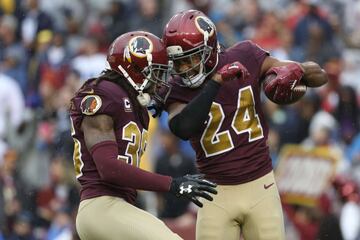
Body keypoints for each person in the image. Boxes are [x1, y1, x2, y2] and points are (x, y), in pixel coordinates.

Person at [159, 9, 328, 240]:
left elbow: (320, 77)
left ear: (209, 49)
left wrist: (295, 69)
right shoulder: (176, 87)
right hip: (215, 193)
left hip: (260, 185)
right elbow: (182, 128)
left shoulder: (246, 54)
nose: (184, 68)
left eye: (191, 57)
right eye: (178, 62)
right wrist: (216, 81)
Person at [68, 31, 217, 240]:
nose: (159, 82)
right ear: (136, 69)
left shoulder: (131, 104)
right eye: (156, 73)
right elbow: (108, 168)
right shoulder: (105, 94)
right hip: (102, 207)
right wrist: (171, 184)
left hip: (118, 207)